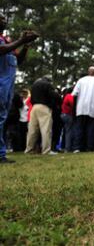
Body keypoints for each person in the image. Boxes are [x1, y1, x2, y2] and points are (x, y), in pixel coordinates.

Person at [0, 13, 39, 163]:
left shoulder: (6, 41)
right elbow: (2, 50)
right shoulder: (4, 44)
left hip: (7, 87)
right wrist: (21, 39)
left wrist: (26, 45)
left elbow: (19, 60)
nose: (4, 20)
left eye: (5, 18)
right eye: (1, 18)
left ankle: (1, 154)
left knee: (2, 119)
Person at [72, 66, 94, 152]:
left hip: (80, 108)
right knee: (91, 129)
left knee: (79, 128)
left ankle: (77, 147)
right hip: (92, 108)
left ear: (88, 71)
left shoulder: (81, 80)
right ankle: (89, 147)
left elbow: (74, 94)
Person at [25, 76, 60, 155]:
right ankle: (46, 150)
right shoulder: (47, 85)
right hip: (44, 107)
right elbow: (54, 95)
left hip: (34, 108)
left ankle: (29, 149)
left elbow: (31, 99)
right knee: (46, 129)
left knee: (32, 130)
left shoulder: (34, 85)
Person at [60, 86, 74, 152]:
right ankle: (68, 148)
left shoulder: (65, 96)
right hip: (68, 115)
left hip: (63, 114)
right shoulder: (69, 96)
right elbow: (73, 104)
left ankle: (64, 146)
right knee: (69, 132)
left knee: (66, 131)